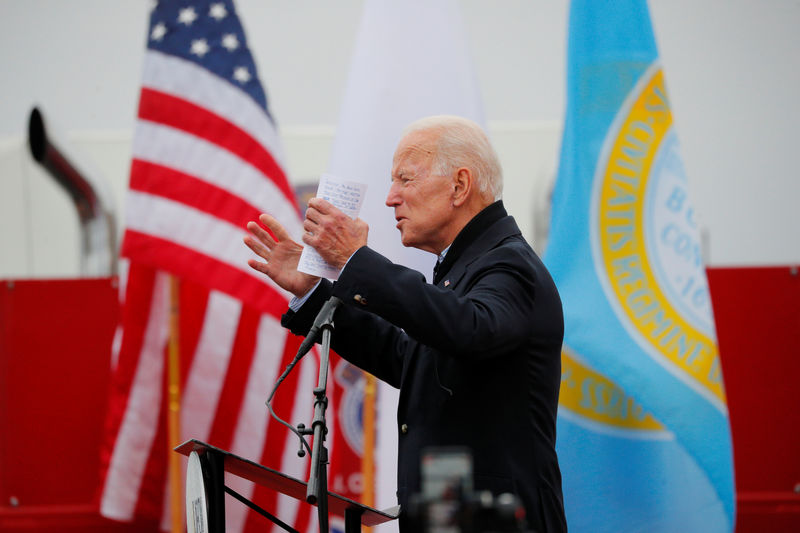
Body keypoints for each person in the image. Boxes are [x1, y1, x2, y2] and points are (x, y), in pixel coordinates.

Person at [244, 115, 567, 532]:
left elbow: (468, 328)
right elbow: (406, 357)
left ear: (459, 185)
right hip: (453, 514)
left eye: (405, 180)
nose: (390, 198)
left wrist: (356, 262)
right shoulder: (462, 267)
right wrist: (314, 292)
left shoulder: (509, 264)